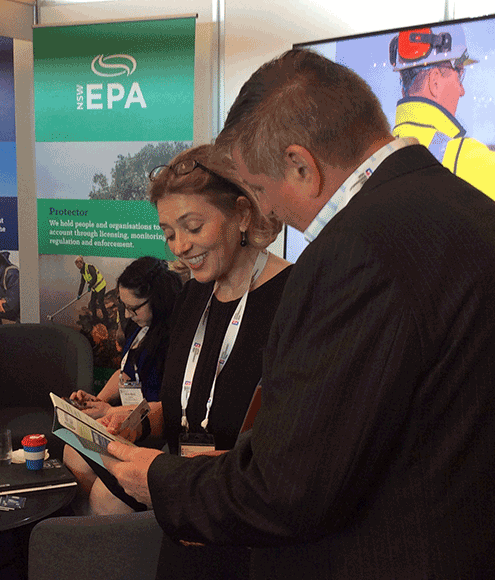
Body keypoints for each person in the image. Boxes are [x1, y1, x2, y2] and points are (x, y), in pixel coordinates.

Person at [105, 49, 495, 579]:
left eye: (262, 191)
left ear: (300, 165)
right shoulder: (470, 208)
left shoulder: (352, 253)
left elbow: (290, 489)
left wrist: (160, 478)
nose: (267, 213)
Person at [104, 144, 291, 577]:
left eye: (192, 226)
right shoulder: (192, 294)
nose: (181, 246)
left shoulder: (294, 298)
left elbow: (291, 457)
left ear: (242, 214)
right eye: (169, 232)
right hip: (185, 518)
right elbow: (187, 404)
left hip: (251, 542)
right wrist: (135, 421)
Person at [64, 256, 183, 515]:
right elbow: (125, 373)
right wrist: (99, 400)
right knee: (72, 450)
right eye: (124, 307)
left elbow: (166, 407)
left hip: (151, 428)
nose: (128, 314)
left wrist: (110, 413)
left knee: (104, 495)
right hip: (127, 418)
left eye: (134, 308)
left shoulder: (176, 339)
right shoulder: (137, 325)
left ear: (158, 301)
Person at [390, 23, 495, 200]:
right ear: (435, 82)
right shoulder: (470, 160)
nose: (462, 91)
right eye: (459, 74)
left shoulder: (377, 158)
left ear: (403, 88)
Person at [75, 256, 109, 323]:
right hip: (95, 288)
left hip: (101, 286)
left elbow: (95, 277)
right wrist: (79, 294)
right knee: (92, 303)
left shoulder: (89, 268)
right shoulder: (82, 272)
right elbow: (82, 283)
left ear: (81, 263)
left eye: (78, 264)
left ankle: (106, 318)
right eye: (77, 265)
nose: (78, 266)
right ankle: (94, 318)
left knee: (100, 302)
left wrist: (89, 286)